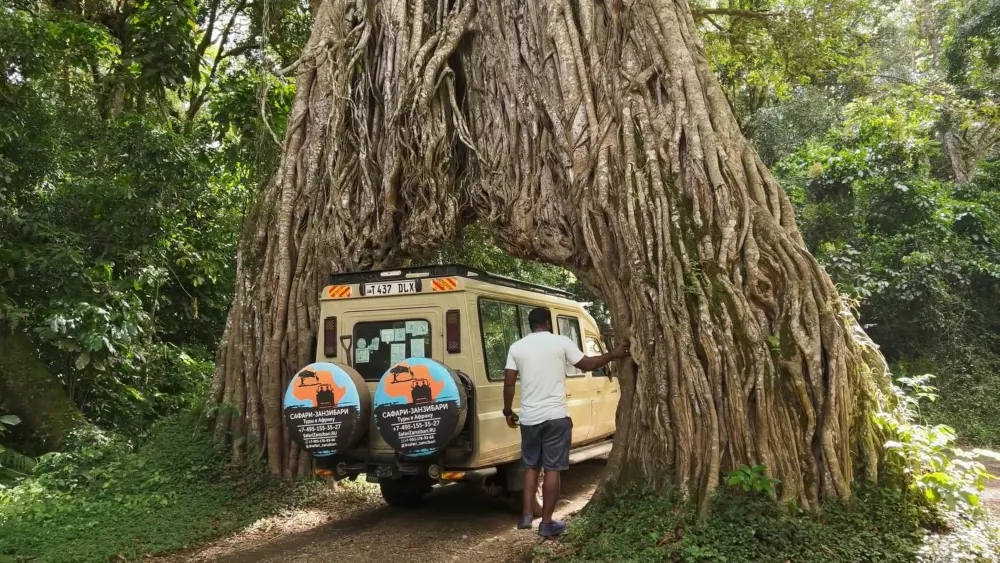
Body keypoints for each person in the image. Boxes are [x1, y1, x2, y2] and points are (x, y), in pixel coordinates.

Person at [502, 307, 629, 537]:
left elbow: (509, 382)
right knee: (552, 468)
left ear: (530, 325)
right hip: (555, 417)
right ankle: (547, 522)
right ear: (548, 324)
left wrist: (507, 410)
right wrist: (615, 354)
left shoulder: (516, 347)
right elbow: (588, 364)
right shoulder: (561, 342)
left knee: (531, 466)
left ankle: (526, 515)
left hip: (529, 419)